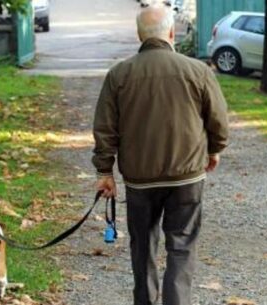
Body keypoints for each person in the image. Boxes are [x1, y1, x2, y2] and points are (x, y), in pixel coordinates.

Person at [91, 4, 229, 305]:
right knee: (181, 246)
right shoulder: (198, 71)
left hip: (140, 180)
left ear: (140, 35)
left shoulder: (119, 74)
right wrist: (215, 149)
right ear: (171, 32)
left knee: (142, 247)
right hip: (187, 177)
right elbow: (219, 120)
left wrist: (105, 172)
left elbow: (105, 127)